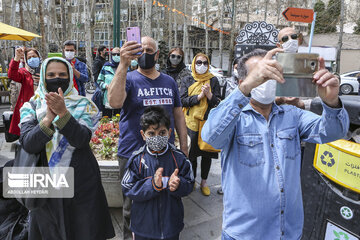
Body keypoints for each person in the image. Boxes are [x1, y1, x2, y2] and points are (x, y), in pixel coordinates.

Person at [201, 48, 349, 240]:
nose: (266, 82)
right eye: (261, 76)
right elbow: (211, 137)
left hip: (287, 233)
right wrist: (245, 89)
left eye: (271, 75)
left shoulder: (292, 115)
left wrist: (331, 102)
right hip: (244, 234)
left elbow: (334, 131)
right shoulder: (234, 117)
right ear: (242, 81)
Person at [19, 57, 115, 240]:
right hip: (44, 184)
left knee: (84, 230)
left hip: (81, 182)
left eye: (62, 74)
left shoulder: (85, 105)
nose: (57, 78)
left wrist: (63, 113)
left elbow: (81, 139)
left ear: (70, 77)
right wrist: (48, 118)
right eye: (51, 75)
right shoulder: (31, 105)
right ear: (43, 77)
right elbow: (29, 144)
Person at [108, 36, 188, 240]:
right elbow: (114, 102)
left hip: (166, 153)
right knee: (131, 207)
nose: (145, 54)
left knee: (166, 200)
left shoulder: (168, 81)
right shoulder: (128, 78)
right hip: (132, 154)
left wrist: (184, 149)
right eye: (140, 50)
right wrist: (123, 65)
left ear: (157, 54)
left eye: (149, 50)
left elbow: (178, 114)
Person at [121, 106, 194, 240]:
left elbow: (189, 183)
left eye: (162, 133)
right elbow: (127, 187)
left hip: (171, 226)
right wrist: (152, 185)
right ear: (143, 135)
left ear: (169, 132)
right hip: (143, 227)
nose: (157, 137)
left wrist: (178, 185)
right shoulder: (137, 160)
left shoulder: (179, 158)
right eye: (151, 134)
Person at [180, 53, 221, 196]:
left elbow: (218, 103)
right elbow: (182, 100)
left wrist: (209, 95)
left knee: (206, 154)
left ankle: (204, 182)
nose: (202, 65)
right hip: (191, 123)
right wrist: (199, 97)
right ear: (193, 64)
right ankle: (192, 180)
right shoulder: (187, 79)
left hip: (207, 123)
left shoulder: (213, 80)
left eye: (205, 63)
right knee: (191, 155)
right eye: (199, 62)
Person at [7, 47, 41, 136]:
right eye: (29, 58)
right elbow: (11, 74)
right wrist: (16, 58)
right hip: (28, 111)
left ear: (39, 57)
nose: (32, 59)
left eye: (34, 56)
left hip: (43, 109)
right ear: (25, 60)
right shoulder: (24, 73)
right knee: (28, 136)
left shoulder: (46, 71)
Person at [97, 47, 121, 117]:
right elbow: (99, 81)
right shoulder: (106, 67)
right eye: (114, 54)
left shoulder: (124, 67)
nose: (116, 56)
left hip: (120, 99)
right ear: (111, 55)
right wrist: (106, 86)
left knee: (118, 121)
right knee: (106, 121)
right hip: (107, 99)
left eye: (118, 54)